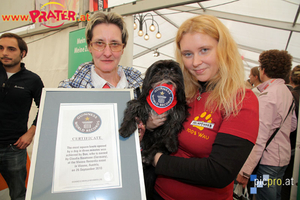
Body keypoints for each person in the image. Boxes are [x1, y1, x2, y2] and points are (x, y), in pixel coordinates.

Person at [147, 15, 259, 200]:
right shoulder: (184, 93)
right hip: (157, 193)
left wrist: (155, 159)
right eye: (188, 54)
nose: (195, 62)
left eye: (204, 50)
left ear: (223, 50)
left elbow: (219, 172)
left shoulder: (240, 100)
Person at [237, 50, 296, 200]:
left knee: (262, 196)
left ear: (263, 70)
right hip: (282, 159)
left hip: (266, 162)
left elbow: (259, 137)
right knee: (274, 195)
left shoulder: (268, 97)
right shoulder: (287, 92)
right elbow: (293, 125)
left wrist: (245, 172)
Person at [58, 12, 143, 99]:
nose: (107, 53)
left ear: (123, 48)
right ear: (89, 46)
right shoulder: (66, 93)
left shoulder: (142, 91)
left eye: (114, 44)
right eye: (99, 43)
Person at [0, 33, 44, 200]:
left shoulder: (32, 80)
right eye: (1, 48)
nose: (5, 53)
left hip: (14, 148)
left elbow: (45, 107)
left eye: (11, 49)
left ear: (23, 53)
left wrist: (30, 133)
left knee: (18, 193)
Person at [281, 65, 300, 200]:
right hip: (293, 152)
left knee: (262, 185)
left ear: (290, 78)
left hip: (284, 151)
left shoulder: (290, 97)